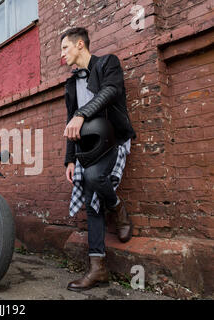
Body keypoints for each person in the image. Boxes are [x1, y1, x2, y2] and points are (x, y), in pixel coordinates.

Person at [61, 27, 137, 291]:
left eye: (65, 48)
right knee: (91, 198)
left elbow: (110, 92)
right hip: (87, 146)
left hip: (113, 139)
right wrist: (70, 160)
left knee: (94, 178)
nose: (63, 54)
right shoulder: (71, 83)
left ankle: (117, 207)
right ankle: (98, 268)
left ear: (80, 44)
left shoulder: (108, 63)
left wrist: (82, 114)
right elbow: (70, 122)